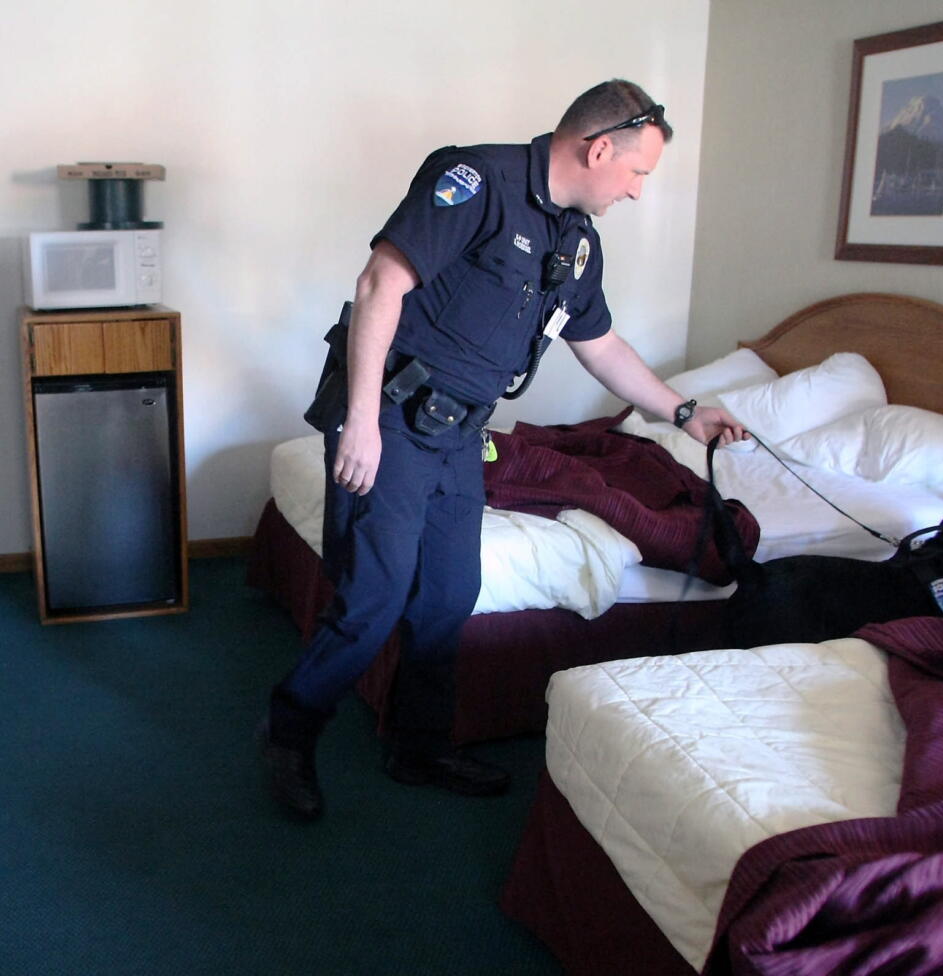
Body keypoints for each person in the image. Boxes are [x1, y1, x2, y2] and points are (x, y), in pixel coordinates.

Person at [259, 79, 747, 821]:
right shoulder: (477, 179)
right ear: (600, 148)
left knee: (450, 594)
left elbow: (600, 343)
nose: (639, 191)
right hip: (389, 415)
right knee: (373, 597)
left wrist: (682, 411)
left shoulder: (577, 241)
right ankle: (289, 733)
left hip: (461, 435)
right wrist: (358, 420)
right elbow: (380, 283)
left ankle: (417, 746)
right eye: (639, 173)